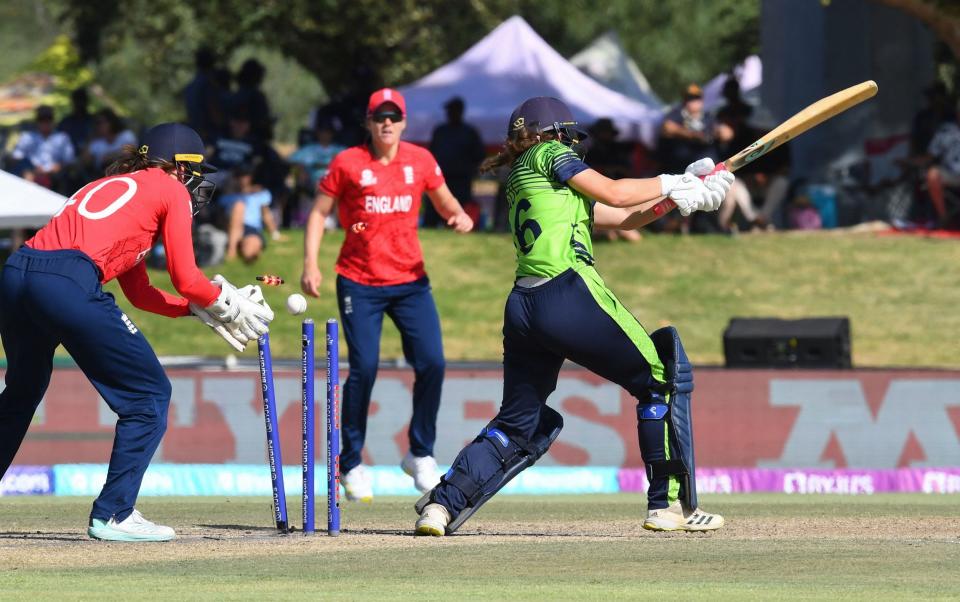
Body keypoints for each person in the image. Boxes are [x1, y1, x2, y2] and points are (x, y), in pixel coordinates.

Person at [413, 97, 732, 536]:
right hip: (567, 292)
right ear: (552, 134)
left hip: (524, 306)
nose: (572, 146)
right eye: (567, 136)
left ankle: (442, 506)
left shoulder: (529, 176)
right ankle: (667, 505)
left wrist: (680, 199)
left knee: (517, 422)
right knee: (660, 377)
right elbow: (617, 191)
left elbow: (622, 218)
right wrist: (673, 180)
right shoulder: (550, 154)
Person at [0, 123, 275, 541]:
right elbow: (187, 277)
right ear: (178, 168)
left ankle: (113, 512)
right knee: (149, 397)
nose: (196, 184)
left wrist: (195, 310)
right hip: (67, 281)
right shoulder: (170, 190)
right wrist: (223, 299)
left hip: (17, 274)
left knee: (21, 393)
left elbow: (142, 293)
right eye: (194, 172)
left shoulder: (115, 187)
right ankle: (113, 514)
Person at [300, 88, 474, 502]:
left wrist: (459, 215)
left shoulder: (421, 160)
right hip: (359, 281)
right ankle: (351, 462)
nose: (387, 124)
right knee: (365, 367)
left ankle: (420, 453)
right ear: (369, 122)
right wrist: (310, 264)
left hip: (411, 281)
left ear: (404, 122)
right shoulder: (348, 162)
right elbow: (319, 213)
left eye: (394, 117)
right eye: (380, 117)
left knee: (432, 362)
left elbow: (445, 201)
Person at [427, 97, 485, 227]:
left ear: (460, 111)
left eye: (452, 110)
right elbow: (431, 154)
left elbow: (479, 155)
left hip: (461, 180)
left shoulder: (469, 132)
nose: (449, 113)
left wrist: (470, 169)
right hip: (440, 179)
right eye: (448, 111)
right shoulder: (440, 131)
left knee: (460, 210)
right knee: (434, 208)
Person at [221, 163, 280, 263]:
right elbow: (221, 216)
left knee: (252, 241)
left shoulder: (260, 194)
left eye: (245, 175)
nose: (242, 179)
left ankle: (242, 252)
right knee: (239, 207)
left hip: (251, 228)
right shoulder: (227, 196)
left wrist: (274, 233)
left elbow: (265, 214)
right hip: (230, 225)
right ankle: (233, 249)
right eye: (239, 176)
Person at [8, 105, 76, 189]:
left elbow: (69, 161)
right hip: (30, 175)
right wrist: (30, 168)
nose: (45, 123)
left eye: (48, 120)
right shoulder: (27, 137)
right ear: (37, 121)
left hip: (55, 177)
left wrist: (58, 167)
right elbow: (16, 157)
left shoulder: (62, 138)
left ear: (53, 121)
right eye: (42, 120)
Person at [84, 108, 137, 176]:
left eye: (101, 122)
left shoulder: (126, 135)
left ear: (111, 122)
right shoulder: (97, 142)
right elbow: (85, 162)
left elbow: (130, 153)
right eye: (96, 123)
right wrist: (90, 139)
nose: (99, 126)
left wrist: (110, 157)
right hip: (102, 176)